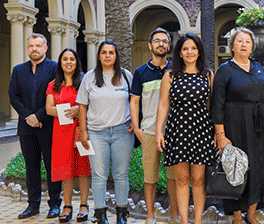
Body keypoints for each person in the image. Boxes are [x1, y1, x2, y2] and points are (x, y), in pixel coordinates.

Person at [211, 27, 264, 224]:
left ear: (252, 46)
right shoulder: (225, 70)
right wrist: (220, 134)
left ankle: (251, 213)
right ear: (232, 47)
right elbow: (217, 103)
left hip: (259, 127)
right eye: (239, 41)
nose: (243, 44)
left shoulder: (258, 66)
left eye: (247, 41)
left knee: (258, 168)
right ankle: (237, 215)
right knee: (236, 168)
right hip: (235, 126)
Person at [154, 33, 215, 224]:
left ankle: (197, 221)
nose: (190, 52)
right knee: (181, 179)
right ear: (180, 53)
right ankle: (183, 221)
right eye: (185, 49)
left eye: (193, 48)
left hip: (202, 131)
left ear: (199, 52)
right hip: (177, 131)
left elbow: (212, 106)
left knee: (198, 179)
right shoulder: (170, 75)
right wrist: (158, 132)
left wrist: (217, 133)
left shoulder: (208, 75)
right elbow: (163, 105)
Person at [77, 40, 134, 224]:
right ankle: (100, 215)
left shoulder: (126, 76)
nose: (107, 56)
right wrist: (83, 132)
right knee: (99, 175)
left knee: (121, 175)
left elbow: (135, 101)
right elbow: (82, 107)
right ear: (99, 55)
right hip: (96, 133)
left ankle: (121, 215)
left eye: (111, 52)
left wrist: (135, 121)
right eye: (104, 52)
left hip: (122, 132)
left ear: (116, 56)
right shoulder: (89, 77)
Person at [8, 33, 62, 219]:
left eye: (38, 46)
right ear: (27, 48)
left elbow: (57, 95)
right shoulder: (18, 70)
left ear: (45, 48)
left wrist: (38, 115)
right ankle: (33, 205)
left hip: (48, 125)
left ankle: (55, 204)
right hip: (26, 127)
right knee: (31, 168)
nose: (34, 49)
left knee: (52, 166)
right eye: (31, 46)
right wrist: (28, 116)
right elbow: (13, 96)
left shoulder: (55, 68)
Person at [130, 28, 179, 224]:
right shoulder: (140, 72)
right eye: (157, 41)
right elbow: (134, 102)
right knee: (149, 177)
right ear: (150, 45)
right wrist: (137, 129)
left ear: (169, 46)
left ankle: (174, 214)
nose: (161, 44)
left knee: (174, 177)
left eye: (165, 41)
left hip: (174, 131)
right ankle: (150, 215)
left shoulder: (177, 70)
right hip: (149, 131)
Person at [46, 48, 91, 223]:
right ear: (60, 62)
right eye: (65, 59)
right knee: (65, 170)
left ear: (76, 62)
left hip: (81, 130)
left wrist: (79, 110)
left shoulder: (84, 82)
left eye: (72, 59)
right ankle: (67, 205)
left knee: (83, 168)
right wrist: (69, 111)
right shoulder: (53, 84)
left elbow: (91, 104)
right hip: (61, 133)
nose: (68, 62)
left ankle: (84, 204)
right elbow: (49, 109)